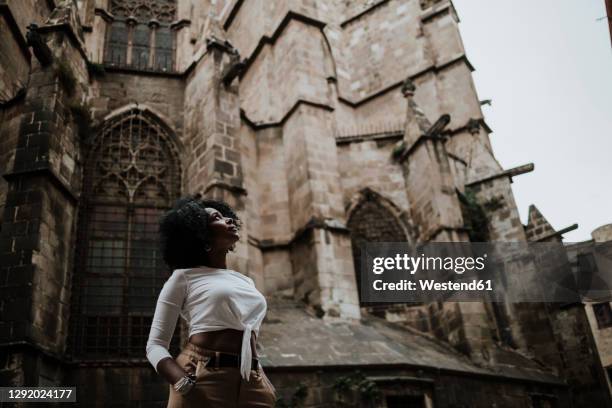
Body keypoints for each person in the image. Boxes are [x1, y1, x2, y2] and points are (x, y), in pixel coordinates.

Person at [146, 194, 277, 407]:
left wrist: (262, 379)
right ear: (201, 235)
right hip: (202, 376)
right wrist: (183, 383)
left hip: (252, 379)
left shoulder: (245, 281)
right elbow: (155, 346)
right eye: (217, 217)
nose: (229, 220)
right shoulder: (183, 277)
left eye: (228, 217)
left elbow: (248, 333)